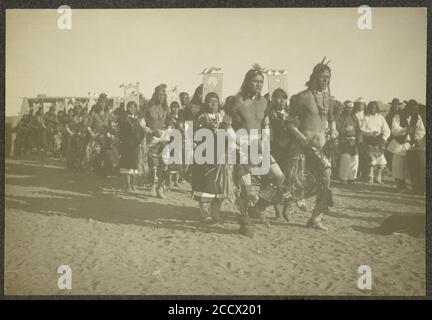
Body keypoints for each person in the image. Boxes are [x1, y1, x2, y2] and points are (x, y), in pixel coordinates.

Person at [223, 67, 285, 237]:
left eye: (261, 82)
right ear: (247, 81)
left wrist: (265, 143)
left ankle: (258, 208)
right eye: (255, 81)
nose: (259, 85)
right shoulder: (236, 101)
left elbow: (265, 124)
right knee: (246, 189)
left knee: (279, 177)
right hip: (240, 148)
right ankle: (244, 222)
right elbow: (226, 126)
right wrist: (240, 142)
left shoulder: (265, 102)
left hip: (259, 146)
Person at [284, 58, 338, 231]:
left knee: (323, 179)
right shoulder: (302, 97)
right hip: (303, 146)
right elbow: (290, 123)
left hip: (321, 147)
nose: (325, 80)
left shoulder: (329, 99)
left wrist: (334, 130)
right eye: (322, 77)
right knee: (297, 181)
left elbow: (331, 119)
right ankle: (284, 200)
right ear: (314, 77)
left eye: (328, 77)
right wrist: (302, 139)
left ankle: (316, 217)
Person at [191, 92, 231, 223]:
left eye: (216, 101)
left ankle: (215, 213)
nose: (213, 103)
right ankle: (204, 212)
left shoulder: (223, 116)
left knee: (220, 184)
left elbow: (228, 133)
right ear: (205, 103)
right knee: (206, 183)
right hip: (205, 155)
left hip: (221, 154)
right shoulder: (201, 117)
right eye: (210, 101)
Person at [387, 99, 425, 193]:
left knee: (411, 166)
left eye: (416, 110)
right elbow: (394, 130)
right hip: (399, 144)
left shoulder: (417, 117)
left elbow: (421, 130)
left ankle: (414, 186)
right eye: (412, 109)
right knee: (398, 165)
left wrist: (416, 138)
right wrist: (404, 130)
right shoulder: (398, 115)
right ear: (407, 108)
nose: (414, 112)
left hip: (410, 145)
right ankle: (400, 185)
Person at [145, 84, 170, 198]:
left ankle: (160, 187)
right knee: (153, 164)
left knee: (164, 164)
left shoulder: (165, 109)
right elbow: (142, 123)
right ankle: (152, 187)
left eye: (163, 95)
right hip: (152, 138)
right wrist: (151, 131)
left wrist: (168, 129)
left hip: (163, 138)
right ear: (155, 95)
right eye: (159, 94)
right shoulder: (148, 108)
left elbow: (169, 122)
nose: (161, 97)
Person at [118, 101, 147, 192]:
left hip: (136, 144)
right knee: (126, 164)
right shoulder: (123, 118)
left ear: (136, 108)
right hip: (126, 144)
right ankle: (127, 185)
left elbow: (144, 130)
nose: (132, 109)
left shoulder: (140, 119)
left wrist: (139, 141)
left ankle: (133, 184)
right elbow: (121, 132)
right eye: (130, 107)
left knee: (134, 164)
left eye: (133, 107)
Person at [360, 101, 391, 184]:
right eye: (371, 107)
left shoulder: (380, 117)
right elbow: (362, 129)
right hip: (369, 140)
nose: (372, 109)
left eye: (374, 107)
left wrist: (384, 139)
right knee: (371, 160)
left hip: (379, 141)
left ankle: (378, 178)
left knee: (381, 161)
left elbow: (386, 130)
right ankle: (370, 178)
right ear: (368, 108)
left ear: (377, 108)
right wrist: (370, 133)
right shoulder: (366, 117)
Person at [336, 100, 360, 184]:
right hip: (344, 140)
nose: (349, 110)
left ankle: (352, 178)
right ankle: (343, 178)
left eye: (351, 108)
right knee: (346, 158)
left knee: (355, 159)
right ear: (344, 108)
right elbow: (337, 129)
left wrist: (358, 140)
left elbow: (358, 130)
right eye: (347, 108)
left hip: (354, 140)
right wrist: (345, 129)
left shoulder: (354, 117)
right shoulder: (339, 117)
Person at [384, 98, 404, 169]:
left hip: (400, 137)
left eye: (397, 104)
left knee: (398, 155)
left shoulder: (402, 115)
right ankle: (390, 169)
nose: (395, 106)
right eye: (394, 104)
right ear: (392, 105)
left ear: (399, 105)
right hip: (390, 137)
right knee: (389, 154)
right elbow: (386, 126)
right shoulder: (389, 116)